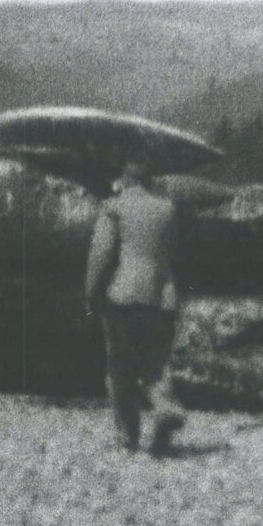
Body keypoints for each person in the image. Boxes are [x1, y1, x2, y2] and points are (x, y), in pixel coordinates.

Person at [83, 160, 186, 455]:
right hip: (163, 297)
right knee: (157, 362)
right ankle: (165, 408)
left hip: (124, 298)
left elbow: (101, 255)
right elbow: (173, 252)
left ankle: (127, 437)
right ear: (149, 179)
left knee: (120, 368)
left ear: (125, 179)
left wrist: (91, 293)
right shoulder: (167, 209)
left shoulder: (113, 207)